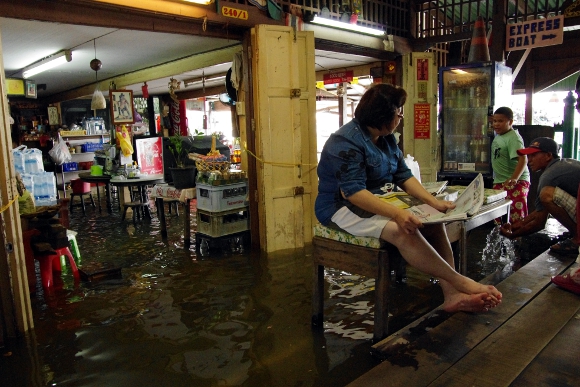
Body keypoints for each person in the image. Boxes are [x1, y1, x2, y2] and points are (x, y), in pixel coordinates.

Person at [315, 84, 502, 313]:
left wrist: (434, 203)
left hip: (381, 198)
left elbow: (403, 175)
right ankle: (461, 282)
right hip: (340, 207)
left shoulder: (386, 139)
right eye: (399, 111)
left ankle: (451, 294)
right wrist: (397, 213)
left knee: (434, 222)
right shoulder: (344, 142)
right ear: (383, 114)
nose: (401, 116)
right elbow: (353, 193)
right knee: (402, 230)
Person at [499, 137, 580, 254]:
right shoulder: (562, 166)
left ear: (548, 156)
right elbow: (539, 211)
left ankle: (577, 239)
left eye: (534, 155)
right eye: (529, 156)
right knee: (547, 196)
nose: (529, 160)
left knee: (547, 195)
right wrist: (515, 226)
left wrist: (513, 235)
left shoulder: (549, 175)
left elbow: (539, 223)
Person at [490, 107, 530, 223]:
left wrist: (514, 178)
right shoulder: (501, 136)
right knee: (499, 218)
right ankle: (502, 240)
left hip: (515, 182)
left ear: (510, 122)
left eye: (500, 121)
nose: (496, 124)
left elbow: (523, 159)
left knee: (515, 218)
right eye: (494, 121)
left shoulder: (513, 138)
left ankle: (517, 241)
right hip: (500, 181)